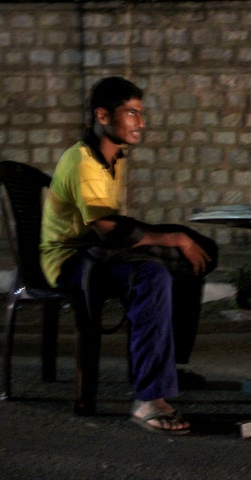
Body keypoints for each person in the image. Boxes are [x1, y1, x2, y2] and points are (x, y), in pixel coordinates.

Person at [40, 76, 217, 434]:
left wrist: (181, 239)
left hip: (97, 252)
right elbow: (109, 229)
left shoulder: (112, 157)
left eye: (141, 113)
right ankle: (149, 399)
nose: (141, 122)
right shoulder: (84, 161)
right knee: (153, 274)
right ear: (103, 115)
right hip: (70, 261)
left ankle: (168, 368)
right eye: (132, 113)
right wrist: (173, 239)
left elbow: (112, 225)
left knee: (193, 258)